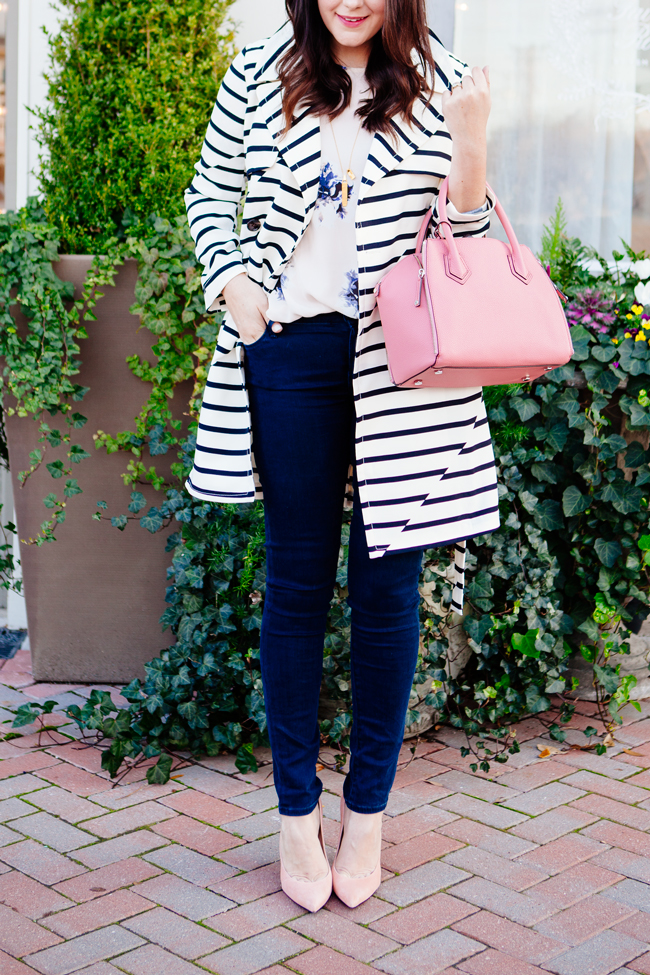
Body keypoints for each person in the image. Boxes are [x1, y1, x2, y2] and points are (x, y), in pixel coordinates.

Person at [185, 0, 498, 912]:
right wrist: (236, 285)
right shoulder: (258, 72)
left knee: (389, 585)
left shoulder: (440, 79)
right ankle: (293, 812)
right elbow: (209, 196)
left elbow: (465, 245)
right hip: (291, 349)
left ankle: (368, 813)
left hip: (401, 360)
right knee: (295, 583)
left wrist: (471, 142)